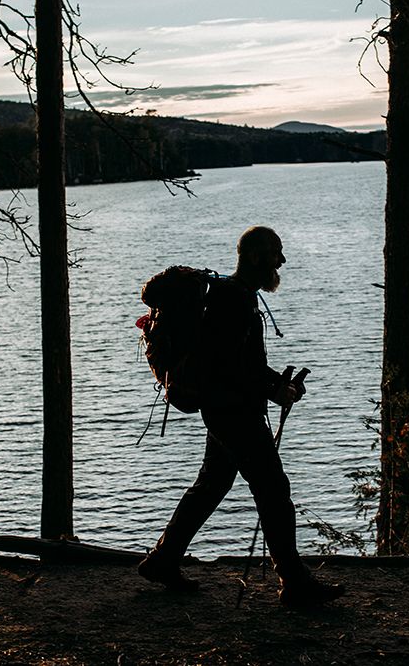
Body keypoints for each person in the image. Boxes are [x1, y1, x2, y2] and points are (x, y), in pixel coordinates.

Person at [138, 226, 345, 606]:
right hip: (233, 413)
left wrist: (276, 385)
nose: (282, 260)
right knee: (274, 490)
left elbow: (239, 362)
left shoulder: (236, 296)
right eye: (276, 252)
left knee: (212, 485)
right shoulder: (232, 300)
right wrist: (273, 389)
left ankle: (162, 560)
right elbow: (228, 366)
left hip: (226, 409)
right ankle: (294, 582)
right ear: (255, 256)